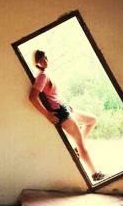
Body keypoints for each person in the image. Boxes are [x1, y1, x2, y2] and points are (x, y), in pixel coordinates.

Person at [28, 50, 106, 181]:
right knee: (81, 144)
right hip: (61, 113)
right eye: (41, 59)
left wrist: (68, 104)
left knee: (92, 120)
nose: (45, 60)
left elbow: (53, 95)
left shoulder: (46, 73)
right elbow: (32, 97)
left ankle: (77, 149)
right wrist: (47, 115)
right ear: (36, 62)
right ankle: (95, 174)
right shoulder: (41, 76)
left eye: (46, 57)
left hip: (65, 107)